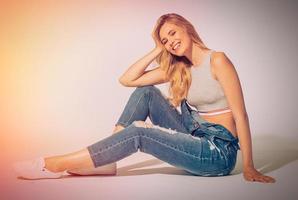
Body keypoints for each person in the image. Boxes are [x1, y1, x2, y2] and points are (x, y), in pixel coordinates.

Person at [13, 13, 275, 183]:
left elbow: (241, 115)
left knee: (140, 134)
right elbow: (128, 80)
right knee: (145, 93)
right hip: (194, 135)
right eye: (164, 40)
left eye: (173, 33)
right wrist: (156, 50)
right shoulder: (178, 68)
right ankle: (107, 162)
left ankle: (52, 165)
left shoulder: (217, 60)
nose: (170, 42)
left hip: (216, 152)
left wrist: (249, 166)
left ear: (186, 29)